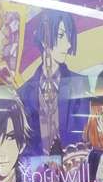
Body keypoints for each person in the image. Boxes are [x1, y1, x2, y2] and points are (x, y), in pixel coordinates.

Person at [18, 10, 90, 155]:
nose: (68, 45)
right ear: (44, 39)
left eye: (69, 36)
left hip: (72, 164)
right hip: (36, 167)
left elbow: (81, 135)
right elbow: (25, 142)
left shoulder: (79, 84)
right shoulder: (23, 92)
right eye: (60, 36)